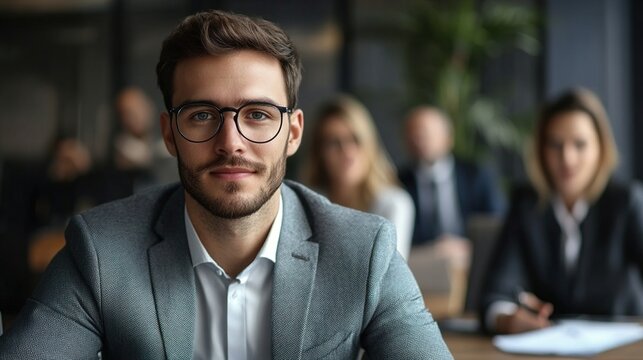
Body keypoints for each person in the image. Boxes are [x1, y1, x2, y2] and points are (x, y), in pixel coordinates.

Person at [0, 10, 452, 359]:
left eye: (257, 114)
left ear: (293, 133)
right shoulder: (100, 250)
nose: (231, 143)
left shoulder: (364, 249)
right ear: (168, 134)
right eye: (202, 115)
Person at [479, 88, 643, 334]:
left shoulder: (625, 202)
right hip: (549, 348)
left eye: (580, 144)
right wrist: (509, 319)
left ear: (601, 149)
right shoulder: (526, 205)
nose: (567, 158)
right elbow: (495, 293)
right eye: (555, 145)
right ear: (541, 151)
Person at [301, 95, 415, 259]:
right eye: (333, 143)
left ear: (370, 144)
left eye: (355, 139)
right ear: (319, 153)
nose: (347, 152)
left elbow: (387, 276)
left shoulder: (393, 203)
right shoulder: (308, 203)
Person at [399, 106, 505, 260]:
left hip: (471, 259)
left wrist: (465, 246)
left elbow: (496, 225)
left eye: (426, 133)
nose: (418, 139)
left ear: (448, 138)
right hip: (420, 264)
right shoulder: (398, 182)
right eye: (413, 133)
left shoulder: (476, 175)